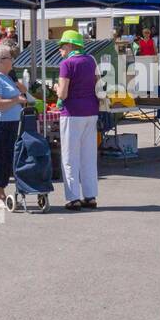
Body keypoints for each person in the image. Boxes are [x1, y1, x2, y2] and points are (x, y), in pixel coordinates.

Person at [56, 29, 100, 210]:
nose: (60, 50)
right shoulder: (91, 60)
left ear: (69, 45)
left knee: (69, 157)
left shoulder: (66, 64)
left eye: (61, 46)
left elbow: (63, 93)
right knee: (88, 156)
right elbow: (98, 84)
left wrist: (56, 90)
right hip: (91, 111)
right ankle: (90, 196)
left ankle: (73, 197)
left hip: (72, 113)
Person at [0, 41, 28, 209]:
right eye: (10, 58)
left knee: (7, 157)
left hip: (10, 122)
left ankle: (1, 193)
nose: (12, 61)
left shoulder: (6, 77)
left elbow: (21, 91)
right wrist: (16, 100)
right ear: (1, 60)